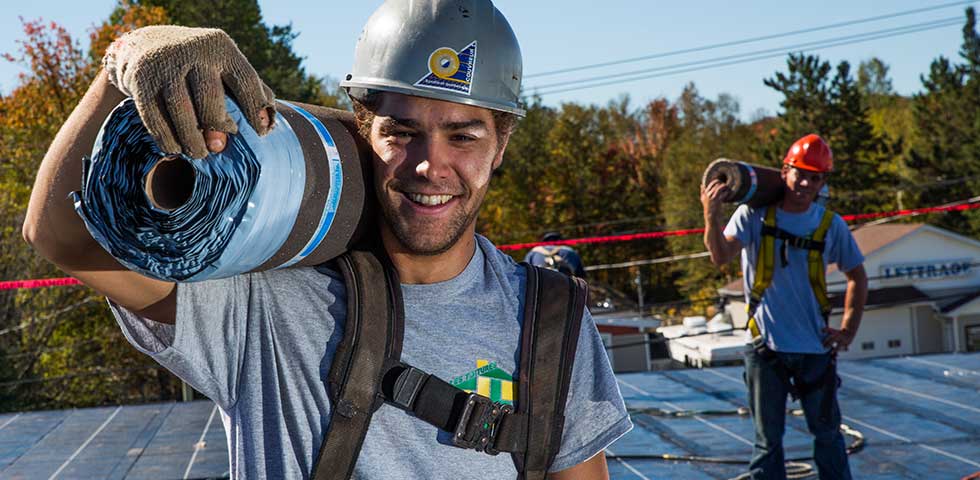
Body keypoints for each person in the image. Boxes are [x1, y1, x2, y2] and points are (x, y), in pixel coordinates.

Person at [22, 1, 631, 478]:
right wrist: (124, 60)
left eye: (464, 136)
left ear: (501, 146)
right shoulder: (265, 299)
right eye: (402, 132)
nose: (430, 166)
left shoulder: (549, 321)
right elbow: (58, 234)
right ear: (363, 129)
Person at [700, 134, 868, 480]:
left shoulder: (828, 225)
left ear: (823, 182)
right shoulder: (753, 216)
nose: (805, 183)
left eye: (815, 177)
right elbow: (720, 255)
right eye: (800, 173)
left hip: (814, 349)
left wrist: (848, 329)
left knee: (828, 437)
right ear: (785, 171)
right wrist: (711, 214)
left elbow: (858, 277)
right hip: (766, 348)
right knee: (767, 443)